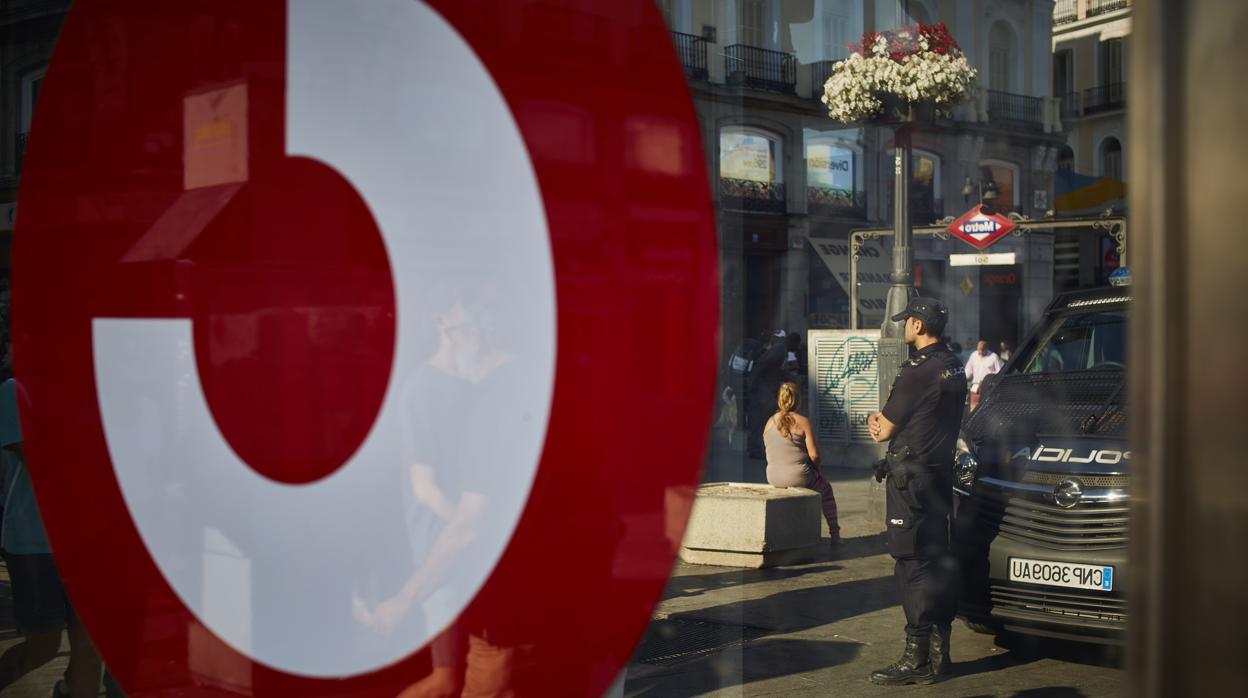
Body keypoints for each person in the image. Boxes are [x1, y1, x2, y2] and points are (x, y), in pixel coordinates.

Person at [866, 297, 967, 685]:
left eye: (907, 320)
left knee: (910, 563)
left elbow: (884, 429)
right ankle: (941, 656)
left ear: (919, 326)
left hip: (911, 479)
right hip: (940, 477)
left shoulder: (917, 371)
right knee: (935, 558)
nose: (903, 326)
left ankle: (917, 657)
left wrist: (877, 420)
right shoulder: (953, 363)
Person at [0, 350, 104, 696]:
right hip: (35, 542)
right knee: (43, 647)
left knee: (90, 651)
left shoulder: (94, 399)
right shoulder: (16, 392)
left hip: (88, 545)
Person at [763, 382, 840, 545]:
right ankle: (835, 536)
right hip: (798, 477)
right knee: (826, 489)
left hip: (773, 477)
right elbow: (815, 455)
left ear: (779, 399)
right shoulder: (803, 422)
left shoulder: (769, 422)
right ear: (798, 401)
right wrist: (817, 469)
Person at [745, 331, 792, 459]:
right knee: (761, 421)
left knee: (759, 421)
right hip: (762, 392)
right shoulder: (779, 349)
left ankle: (756, 448)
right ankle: (757, 449)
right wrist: (753, 385)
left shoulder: (775, 350)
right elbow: (762, 366)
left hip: (762, 391)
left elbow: (769, 368)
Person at [964, 340, 1003, 410]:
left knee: (986, 408)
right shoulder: (974, 355)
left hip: (988, 387)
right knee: (973, 408)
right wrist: (963, 378)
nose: (980, 353)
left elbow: (999, 372)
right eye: (979, 351)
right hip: (975, 387)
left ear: (986, 349)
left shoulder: (993, 357)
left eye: (982, 351)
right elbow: (968, 370)